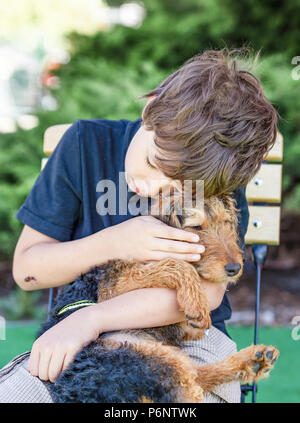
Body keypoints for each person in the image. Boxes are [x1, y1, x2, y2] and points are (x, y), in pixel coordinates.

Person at [1, 48, 278, 403]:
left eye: (180, 187)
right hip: (78, 332)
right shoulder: (85, 144)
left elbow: (208, 294)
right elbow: (27, 271)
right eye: (152, 162)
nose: (154, 187)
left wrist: (95, 318)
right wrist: (115, 243)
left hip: (189, 334)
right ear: (150, 111)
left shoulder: (216, 174)